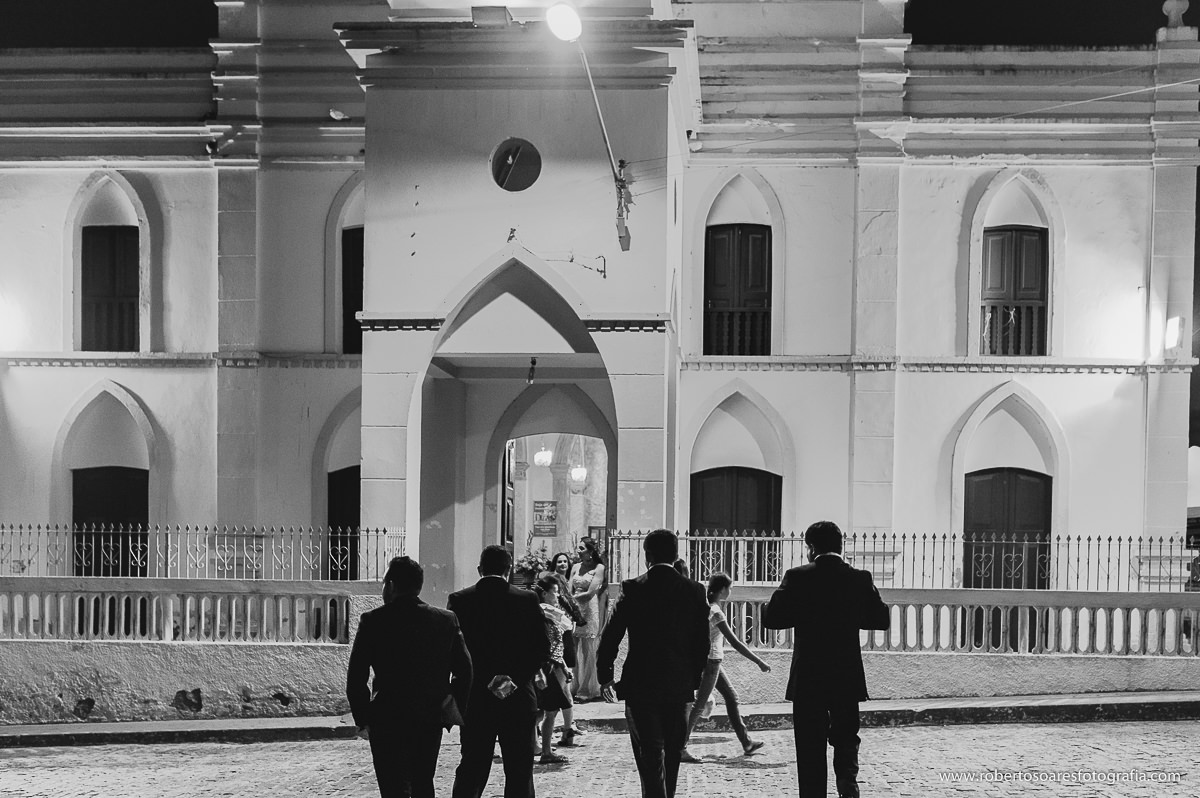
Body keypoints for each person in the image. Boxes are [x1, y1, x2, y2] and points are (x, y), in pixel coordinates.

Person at [762, 521, 890, 798]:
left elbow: (772, 619)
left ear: (810, 548)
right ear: (840, 546)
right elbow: (881, 619)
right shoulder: (860, 578)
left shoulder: (797, 577)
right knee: (846, 735)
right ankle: (847, 780)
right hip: (846, 673)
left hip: (809, 675)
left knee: (809, 744)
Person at [346, 556, 472, 798]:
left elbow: (357, 675)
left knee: (393, 786)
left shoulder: (373, 621)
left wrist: (363, 717)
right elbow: (465, 670)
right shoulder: (445, 620)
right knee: (423, 782)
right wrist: (452, 708)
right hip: (430, 714)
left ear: (391, 585)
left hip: (387, 716)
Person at [597, 529, 709, 798]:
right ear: (676, 554)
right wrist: (693, 678)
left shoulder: (633, 587)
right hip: (678, 684)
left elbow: (611, 635)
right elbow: (701, 643)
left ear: (647, 555)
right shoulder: (694, 590)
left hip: (641, 683)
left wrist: (605, 675)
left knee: (649, 755)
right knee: (672, 754)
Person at [449, 545, 551, 798]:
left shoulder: (460, 599)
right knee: (519, 769)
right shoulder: (527, 599)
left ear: (479, 569)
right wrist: (512, 679)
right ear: (509, 570)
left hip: (476, 697)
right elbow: (541, 647)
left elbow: (454, 651)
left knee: (472, 765)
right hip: (517, 696)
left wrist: (481, 680)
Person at [679, 572, 770, 763]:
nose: (730, 591)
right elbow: (735, 642)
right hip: (712, 662)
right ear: (722, 590)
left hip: (712, 662)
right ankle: (680, 747)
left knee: (731, 697)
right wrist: (758, 661)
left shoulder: (706, 608)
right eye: (729, 588)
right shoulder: (716, 612)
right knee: (699, 706)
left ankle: (746, 742)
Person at [532, 574, 575, 764]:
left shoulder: (550, 614)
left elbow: (558, 645)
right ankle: (545, 751)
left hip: (554, 664)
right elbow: (546, 647)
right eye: (554, 593)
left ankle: (537, 745)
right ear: (544, 594)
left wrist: (564, 667)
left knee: (543, 711)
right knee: (549, 710)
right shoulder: (542, 615)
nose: (557, 597)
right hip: (546, 666)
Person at [546, 552, 585, 741]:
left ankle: (567, 730)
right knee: (561, 692)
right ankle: (565, 730)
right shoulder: (552, 610)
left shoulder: (557, 609)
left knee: (562, 691)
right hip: (559, 653)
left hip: (562, 651)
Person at [569, 536, 607, 701]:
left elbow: (591, 592)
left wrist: (572, 599)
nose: (578, 551)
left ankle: (586, 688)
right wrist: (569, 602)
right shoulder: (575, 566)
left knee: (588, 649)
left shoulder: (599, 568)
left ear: (591, 552)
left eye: (582, 548)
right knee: (572, 648)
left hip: (589, 609)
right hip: (573, 609)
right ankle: (573, 685)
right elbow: (568, 586)